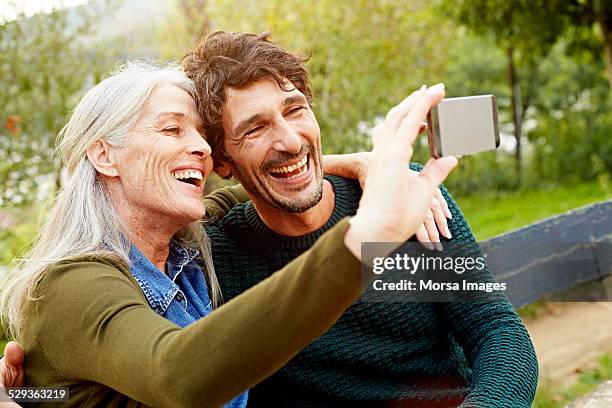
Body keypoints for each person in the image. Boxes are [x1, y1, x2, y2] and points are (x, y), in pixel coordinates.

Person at [0, 59, 456, 407]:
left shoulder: (190, 241)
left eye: (200, 133)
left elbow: (263, 177)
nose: (199, 146)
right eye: (172, 128)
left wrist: (359, 163)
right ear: (105, 156)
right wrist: (363, 239)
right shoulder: (69, 285)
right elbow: (176, 373)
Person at [178, 31, 538, 407]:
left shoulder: (409, 194)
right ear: (221, 162)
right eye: (255, 128)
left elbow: (497, 330)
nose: (292, 141)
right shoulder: (214, 259)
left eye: (295, 110)